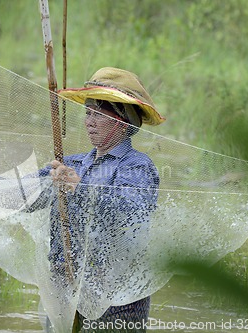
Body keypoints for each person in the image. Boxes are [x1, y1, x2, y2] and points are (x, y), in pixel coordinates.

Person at [41, 67, 165, 332]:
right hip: (64, 287)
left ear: (122, 122)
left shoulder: (137, 167)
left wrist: (79, 188)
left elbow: (130, 212)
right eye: (87, 113)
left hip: (116, 296)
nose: (89, 122)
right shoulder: (71, 164)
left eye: (98, 115)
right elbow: (23, 190)